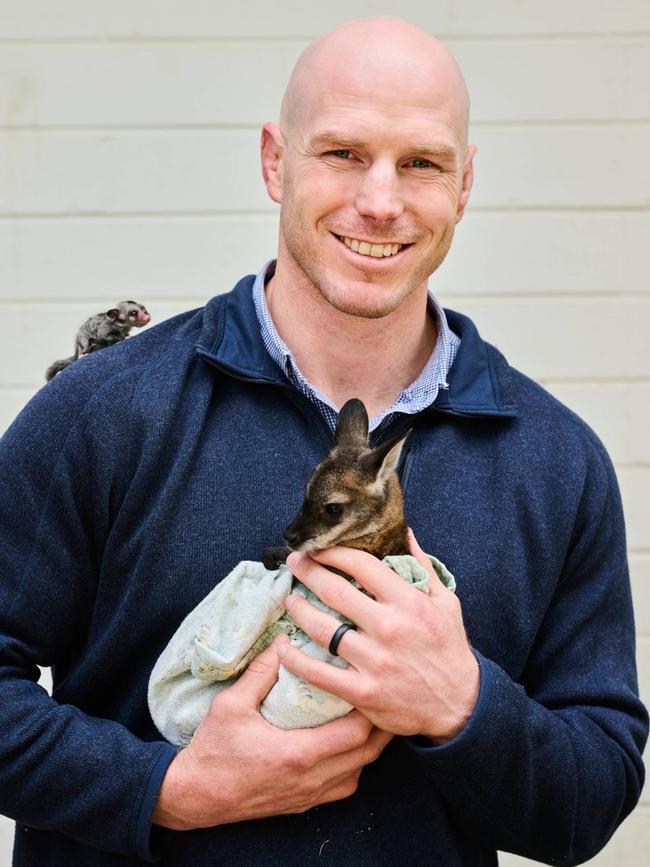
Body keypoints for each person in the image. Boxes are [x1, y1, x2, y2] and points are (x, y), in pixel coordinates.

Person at [0, 16, 646, 867]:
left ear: (465, 183)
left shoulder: (557, 462)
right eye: (342, 153)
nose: (381, 200)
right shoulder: (107, 409)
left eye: (421, 162)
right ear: (275, 160)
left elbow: (589, 798)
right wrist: (166, 790)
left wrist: (465, 706)